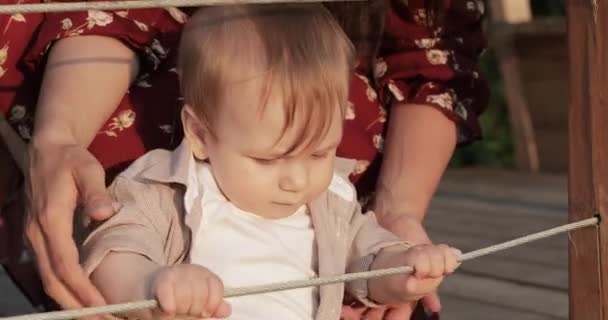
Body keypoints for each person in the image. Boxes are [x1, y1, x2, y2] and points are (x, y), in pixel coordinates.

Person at [0, 0, 488, 318]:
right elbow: (113, 255)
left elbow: (369, 257)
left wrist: (404, 269)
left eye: (321, 151)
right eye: (267, 158)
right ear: (200, 135)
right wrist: (154, 284)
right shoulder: (164, 190)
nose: (298, 179)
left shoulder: (331, 199)